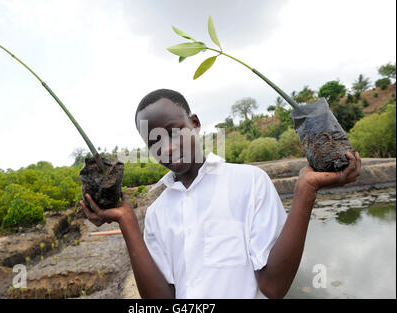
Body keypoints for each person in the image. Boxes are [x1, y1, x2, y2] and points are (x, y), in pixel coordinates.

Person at [80, 89, 361, 299]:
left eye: (174, 132)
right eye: (154, 141)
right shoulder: (157, 213)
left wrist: (306, 190)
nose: (165, 148)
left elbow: (273, 287)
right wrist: (127, 222)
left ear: (195, 123)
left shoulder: (249, 183)